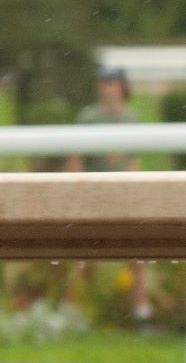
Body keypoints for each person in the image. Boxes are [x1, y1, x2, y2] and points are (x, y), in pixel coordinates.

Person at [66, 65, 153, 327]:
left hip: (122, 196)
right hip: (92, 195)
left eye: (112, 82)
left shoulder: (132, 119)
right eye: (103, 82)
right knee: (82, 258)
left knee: (138, 255)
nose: (107, 87)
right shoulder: (89, 118)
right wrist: (78, 194)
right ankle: (67, 315)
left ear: (123, 87)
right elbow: (75, 159)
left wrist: (132, 191)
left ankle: (141, 315)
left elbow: (132, 160)